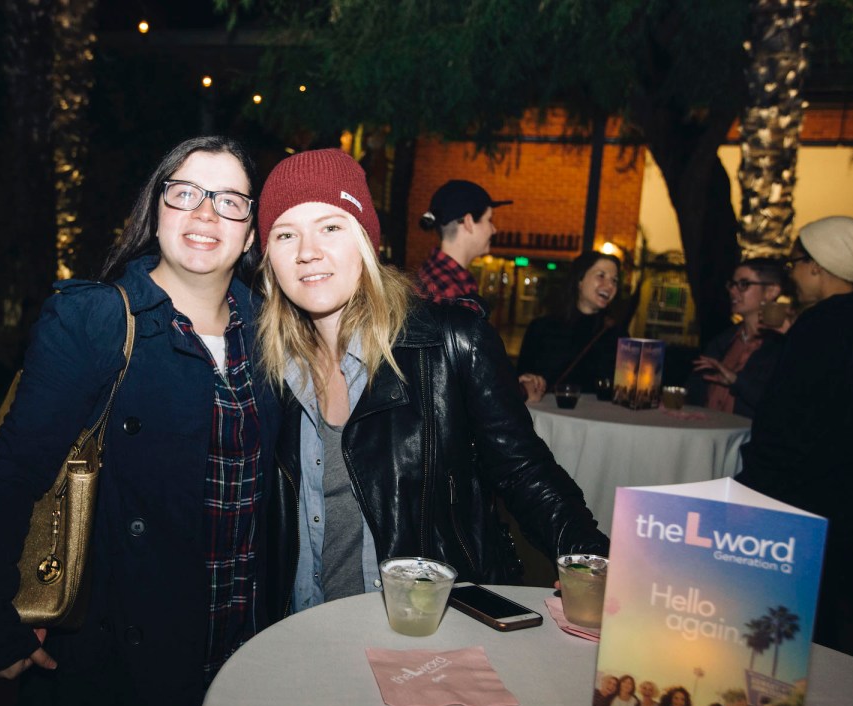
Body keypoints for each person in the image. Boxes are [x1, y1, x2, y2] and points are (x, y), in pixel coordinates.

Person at [0, 136, 281, 706]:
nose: (204, 214)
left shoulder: (269, 327)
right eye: (184, 192)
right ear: (154, 211)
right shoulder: (97, 319)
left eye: (230, 200)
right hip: (127, 651)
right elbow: (12, 473)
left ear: (251, 235)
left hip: (242, 639)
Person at [253, 149, 608, 625]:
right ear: (268, 256)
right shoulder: (270, 373)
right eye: (285, 234)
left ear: (366, 240)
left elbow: (524, 472)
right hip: (305, 632)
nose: (307, 251)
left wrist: (591, 559)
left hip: (426, 631)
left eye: (331, 226)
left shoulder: (451, 341)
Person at [737, 215, 853, 649]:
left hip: (797, 494)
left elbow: (785, 418)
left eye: (796, 261)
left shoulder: (822, 325)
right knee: (815, 617)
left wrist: (751, 486)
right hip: (847, 493)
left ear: (818, 266)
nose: (792, 272)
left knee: (773, 617)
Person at [516, 250, 624, 401]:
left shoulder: (617, 335)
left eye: (614, 280)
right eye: (601, 276)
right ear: (580, 280)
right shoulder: (541, 328)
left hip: (596, 422)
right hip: (549, 420)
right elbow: (521, 379)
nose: (609, 285)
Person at [688, 258, 788, 417]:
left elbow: (782, 405)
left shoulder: (782, 346)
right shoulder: (722, 341)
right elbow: (694, 393)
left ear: (771, 291)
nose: (733, 291)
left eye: (743, 284)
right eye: (732, 284)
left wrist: (736, 381)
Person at [415, 179, 512, 314]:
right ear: (469, 222)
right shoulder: (450, 295)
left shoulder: (435, 277)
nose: (494, 229)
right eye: (489, 220)